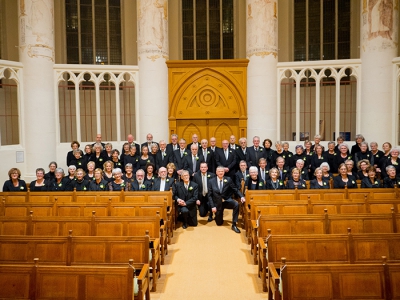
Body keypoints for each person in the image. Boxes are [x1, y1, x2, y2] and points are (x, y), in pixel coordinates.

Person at [207, 166, 245, 233]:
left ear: (224, 172)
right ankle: (218, 215)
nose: (220, 173)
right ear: (216, 172)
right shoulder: (211, 181)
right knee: (219, 223)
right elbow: (209, 195)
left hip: (226, 201)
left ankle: (234, 224)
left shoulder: (228, 179)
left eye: (222, 171)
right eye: (219, 171)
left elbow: (235, 189)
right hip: (217, 203)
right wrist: (212, 206)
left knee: (236, 204)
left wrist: (241, 196)